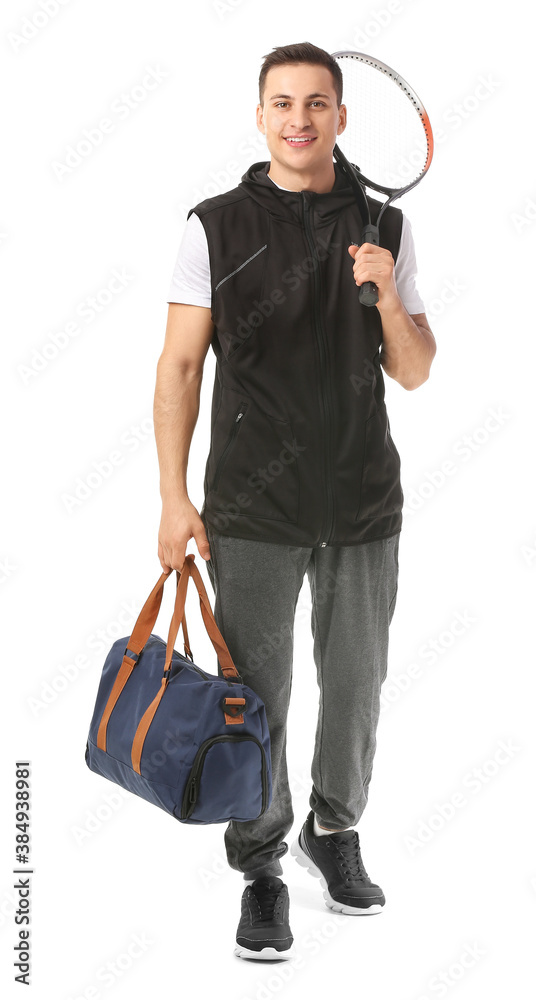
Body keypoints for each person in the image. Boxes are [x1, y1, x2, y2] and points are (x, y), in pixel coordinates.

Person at [154, 41, 436, 961]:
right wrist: (171, 496)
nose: (301, 119)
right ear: (262, 115)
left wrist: (386, 297)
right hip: (251, 507)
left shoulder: (385, 229)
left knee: (357, 684)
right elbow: (181, 367)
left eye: (318, 103)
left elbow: (417, 369)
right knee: (257, 693)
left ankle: (334, 830)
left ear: (343, 118)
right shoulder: (215, 227)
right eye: (283, 103)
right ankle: (262, 866)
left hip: (361, 499)